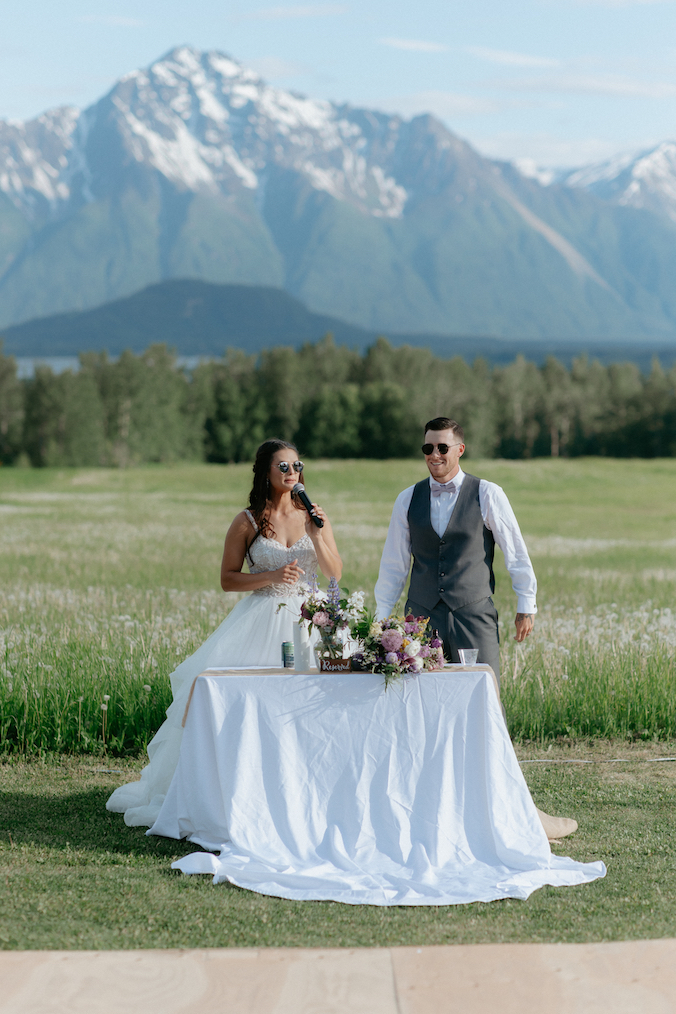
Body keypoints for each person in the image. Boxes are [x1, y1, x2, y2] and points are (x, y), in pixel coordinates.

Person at [107, 439, 342, 827]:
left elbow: (335, 574)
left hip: (310, 620)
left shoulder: (315, 517)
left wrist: (317, 535)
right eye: (283, 467)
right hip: (261, 621)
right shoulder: (248, 521)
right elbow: (227, 579)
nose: (292, 473)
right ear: (265, 472)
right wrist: (270, 576)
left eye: (297, 466)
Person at [374, 417, 535, 682]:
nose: (434, 455)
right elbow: (394, 564)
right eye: (428, 449)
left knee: (482, 693)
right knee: (419, 697)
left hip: (473, 614)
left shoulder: (487, 493)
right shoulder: (407, 498)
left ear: (460, 449)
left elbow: (516, 552)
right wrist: (382, 617)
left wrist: (526, 604)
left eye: (442, 448)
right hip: (420, 618)